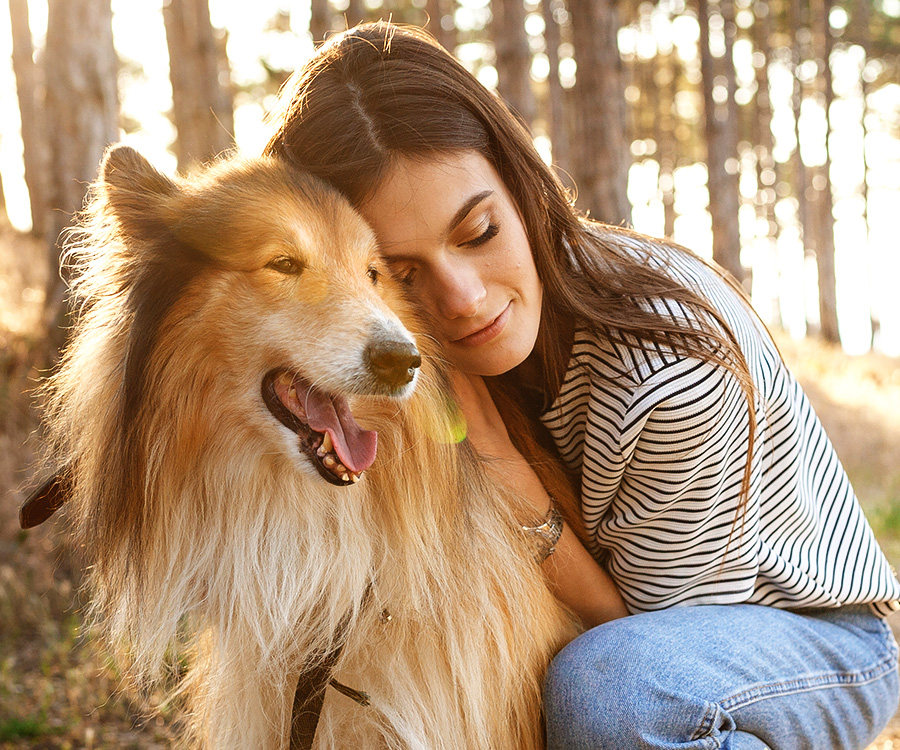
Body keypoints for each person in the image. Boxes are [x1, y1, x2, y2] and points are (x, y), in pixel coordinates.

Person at [264, 21, 900, 749]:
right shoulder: (386, 366)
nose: (464, 299)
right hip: (654, 652)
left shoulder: (667, 371)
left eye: (478, 232)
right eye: (401, 276)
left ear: (519, 181)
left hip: (812, 642)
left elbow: (649, 665)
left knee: (606, 690)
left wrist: (506, 473)